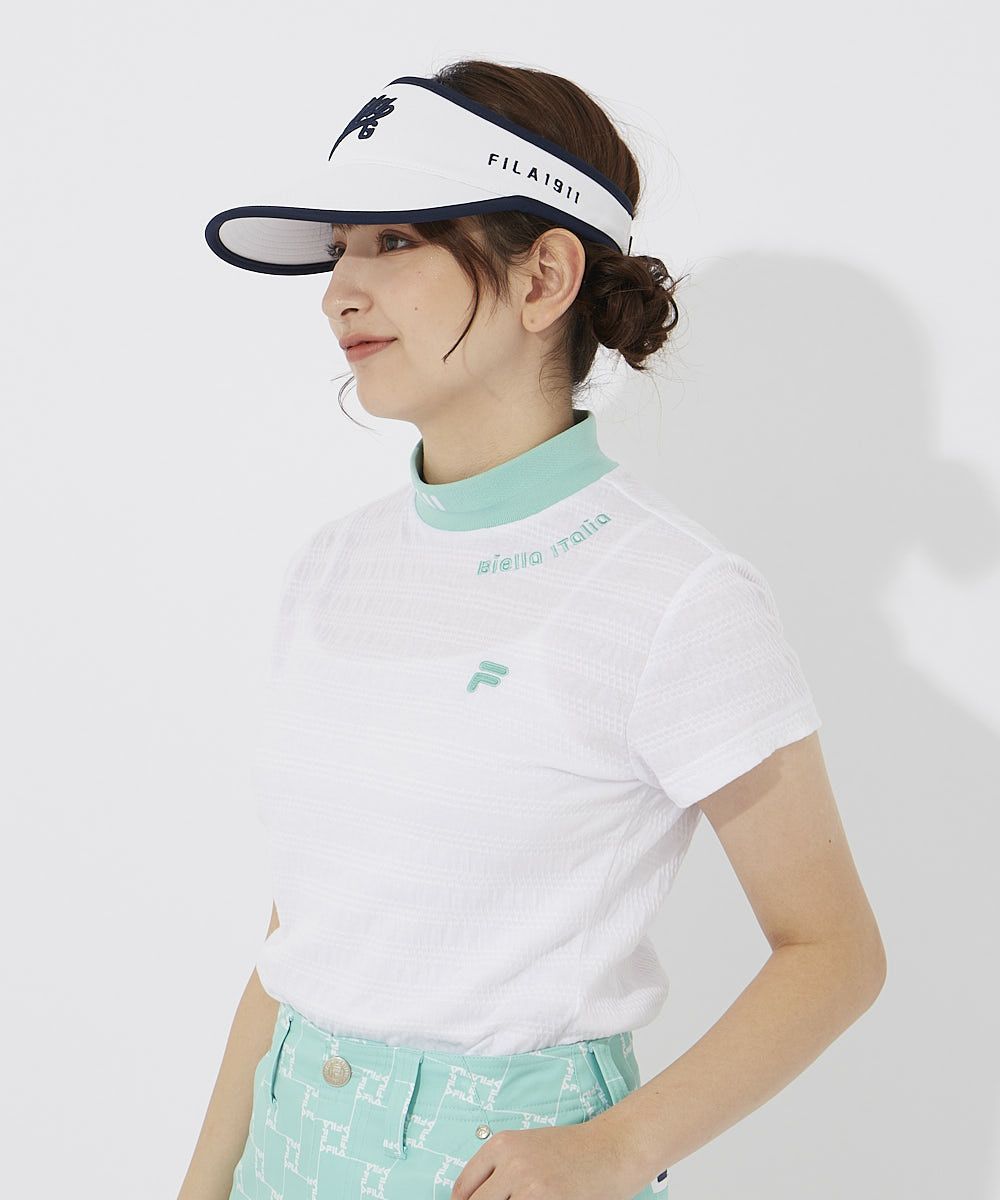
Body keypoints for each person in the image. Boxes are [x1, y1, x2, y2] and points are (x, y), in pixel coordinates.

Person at [181, 59, 886, 1200]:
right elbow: (303, 935)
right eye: (339, 250)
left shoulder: (674, 594)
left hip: (507, 1168)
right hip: (287, 1151)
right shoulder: (333, 566)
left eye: (394, 240)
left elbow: (834, 951)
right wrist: (204, 1185)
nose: (338, 291)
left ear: (545, 275)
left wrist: (619, 1147)